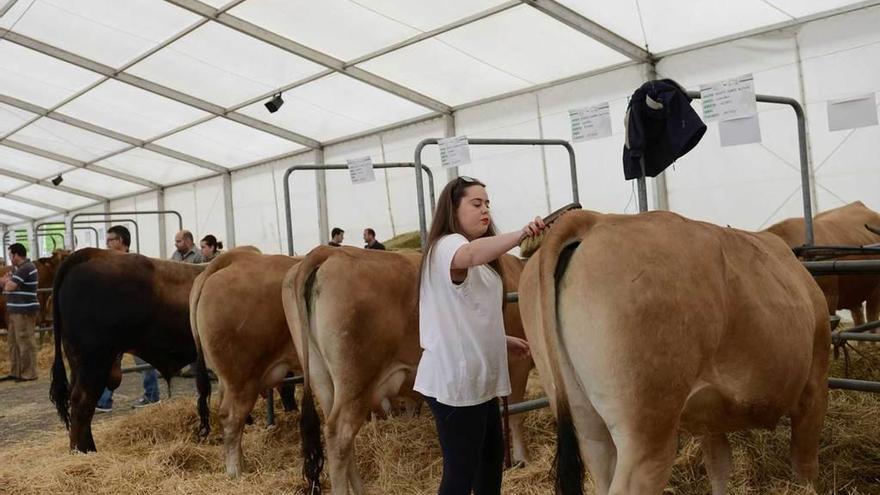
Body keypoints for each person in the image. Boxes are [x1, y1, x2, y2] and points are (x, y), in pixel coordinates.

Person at [414, 176, 540, 495]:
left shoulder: (482, 262)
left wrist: (501, 340)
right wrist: (522, 233)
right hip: (455, 381)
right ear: (453, 210)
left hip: (477, 380)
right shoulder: (446, 246)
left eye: (487, 204)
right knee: (460, 473)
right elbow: (468, 255)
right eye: (476, 203)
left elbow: (469, 312)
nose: (485, 210)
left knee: (489, 464)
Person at [96, 225, 161, 412]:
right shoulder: (110, 264)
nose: (107, 244)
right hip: (117, 319)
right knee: (110, 360)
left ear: (121, 241)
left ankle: (152, 395)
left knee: (143, 360)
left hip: (136, 318)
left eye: (110, 240)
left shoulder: (136, 263)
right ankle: (104, 399)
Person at [0, 243, 39, 383]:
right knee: (13, 342)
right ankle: (16, 371)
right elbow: (9, 283)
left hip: (24, 311)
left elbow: (10, 287)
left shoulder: (26, 268)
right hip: (14, 311)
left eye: (10, 254)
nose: (9, 257)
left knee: (25, 341)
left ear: (16, 255)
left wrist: (5, 281)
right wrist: (6, 280)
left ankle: (29, 373)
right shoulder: (19, 269)